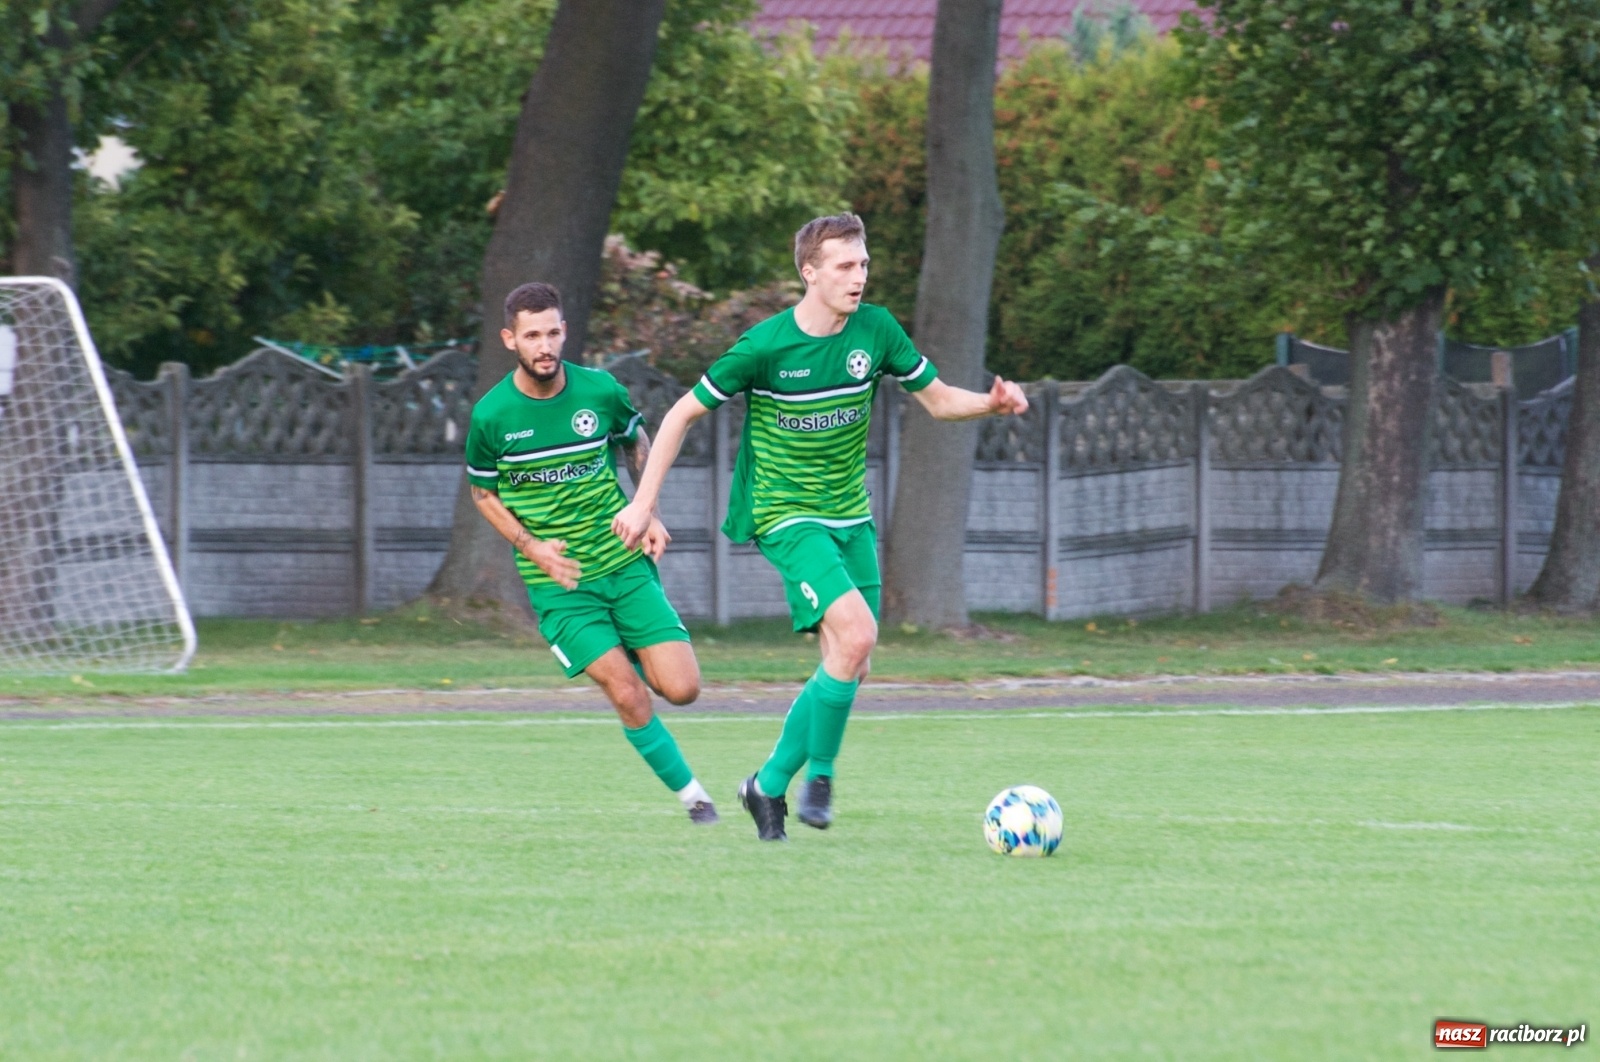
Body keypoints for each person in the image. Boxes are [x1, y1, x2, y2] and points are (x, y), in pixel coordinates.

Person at [612, 213, 1028, 840]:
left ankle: (768, 784)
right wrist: (643, 503)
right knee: (856, 635)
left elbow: (939, 399)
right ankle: (821, 778)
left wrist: (990, 404)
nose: (858, 276)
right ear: (810, 273)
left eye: (863, 264)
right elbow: (677, 417)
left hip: (849, 515)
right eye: (844, 265)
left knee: (851, 661)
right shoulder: (766, 347)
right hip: (786, 516)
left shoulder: (877, 331)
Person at [466, 281, 717, 824]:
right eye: (532, 335)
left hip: (624, 565)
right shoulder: (491, 417)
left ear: (565, 331)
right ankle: (696, 800)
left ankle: (626, 648)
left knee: (684, 688)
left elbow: (636, 441)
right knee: (629, 694)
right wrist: (531, 547)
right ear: (510, 339)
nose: (544, 345)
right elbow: (482, 494)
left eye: (553, 332)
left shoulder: (600, 391)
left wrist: (646, 511)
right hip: (562, 588)